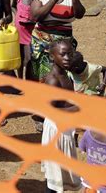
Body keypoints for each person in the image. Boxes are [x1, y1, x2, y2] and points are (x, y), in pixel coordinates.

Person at [30, 0, 87, 81]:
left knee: (64, 74)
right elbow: (35, 16)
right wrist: (52, 1)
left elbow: (80, 14)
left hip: (64, 44)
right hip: (42, 42)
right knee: (44, 75)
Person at [41, 39, 81, 193]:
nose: (67, 58)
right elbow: (52, 113)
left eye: (70, 54)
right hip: (55, 133)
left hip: (65, 128)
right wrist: (78, 108)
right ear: (52, 57)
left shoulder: (66, 74)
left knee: (61, 175)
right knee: (55, 178)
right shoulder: (52, 81)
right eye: (63, 54)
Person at [11, 0, 36, 79]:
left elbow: (38, 13)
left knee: (29, 58)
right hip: (19, 31)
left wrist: (32, 21)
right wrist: (16, 14)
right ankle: (20, 78)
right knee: (19, 58)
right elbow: (13, 6)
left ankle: (28, 79)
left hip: (30, 32)